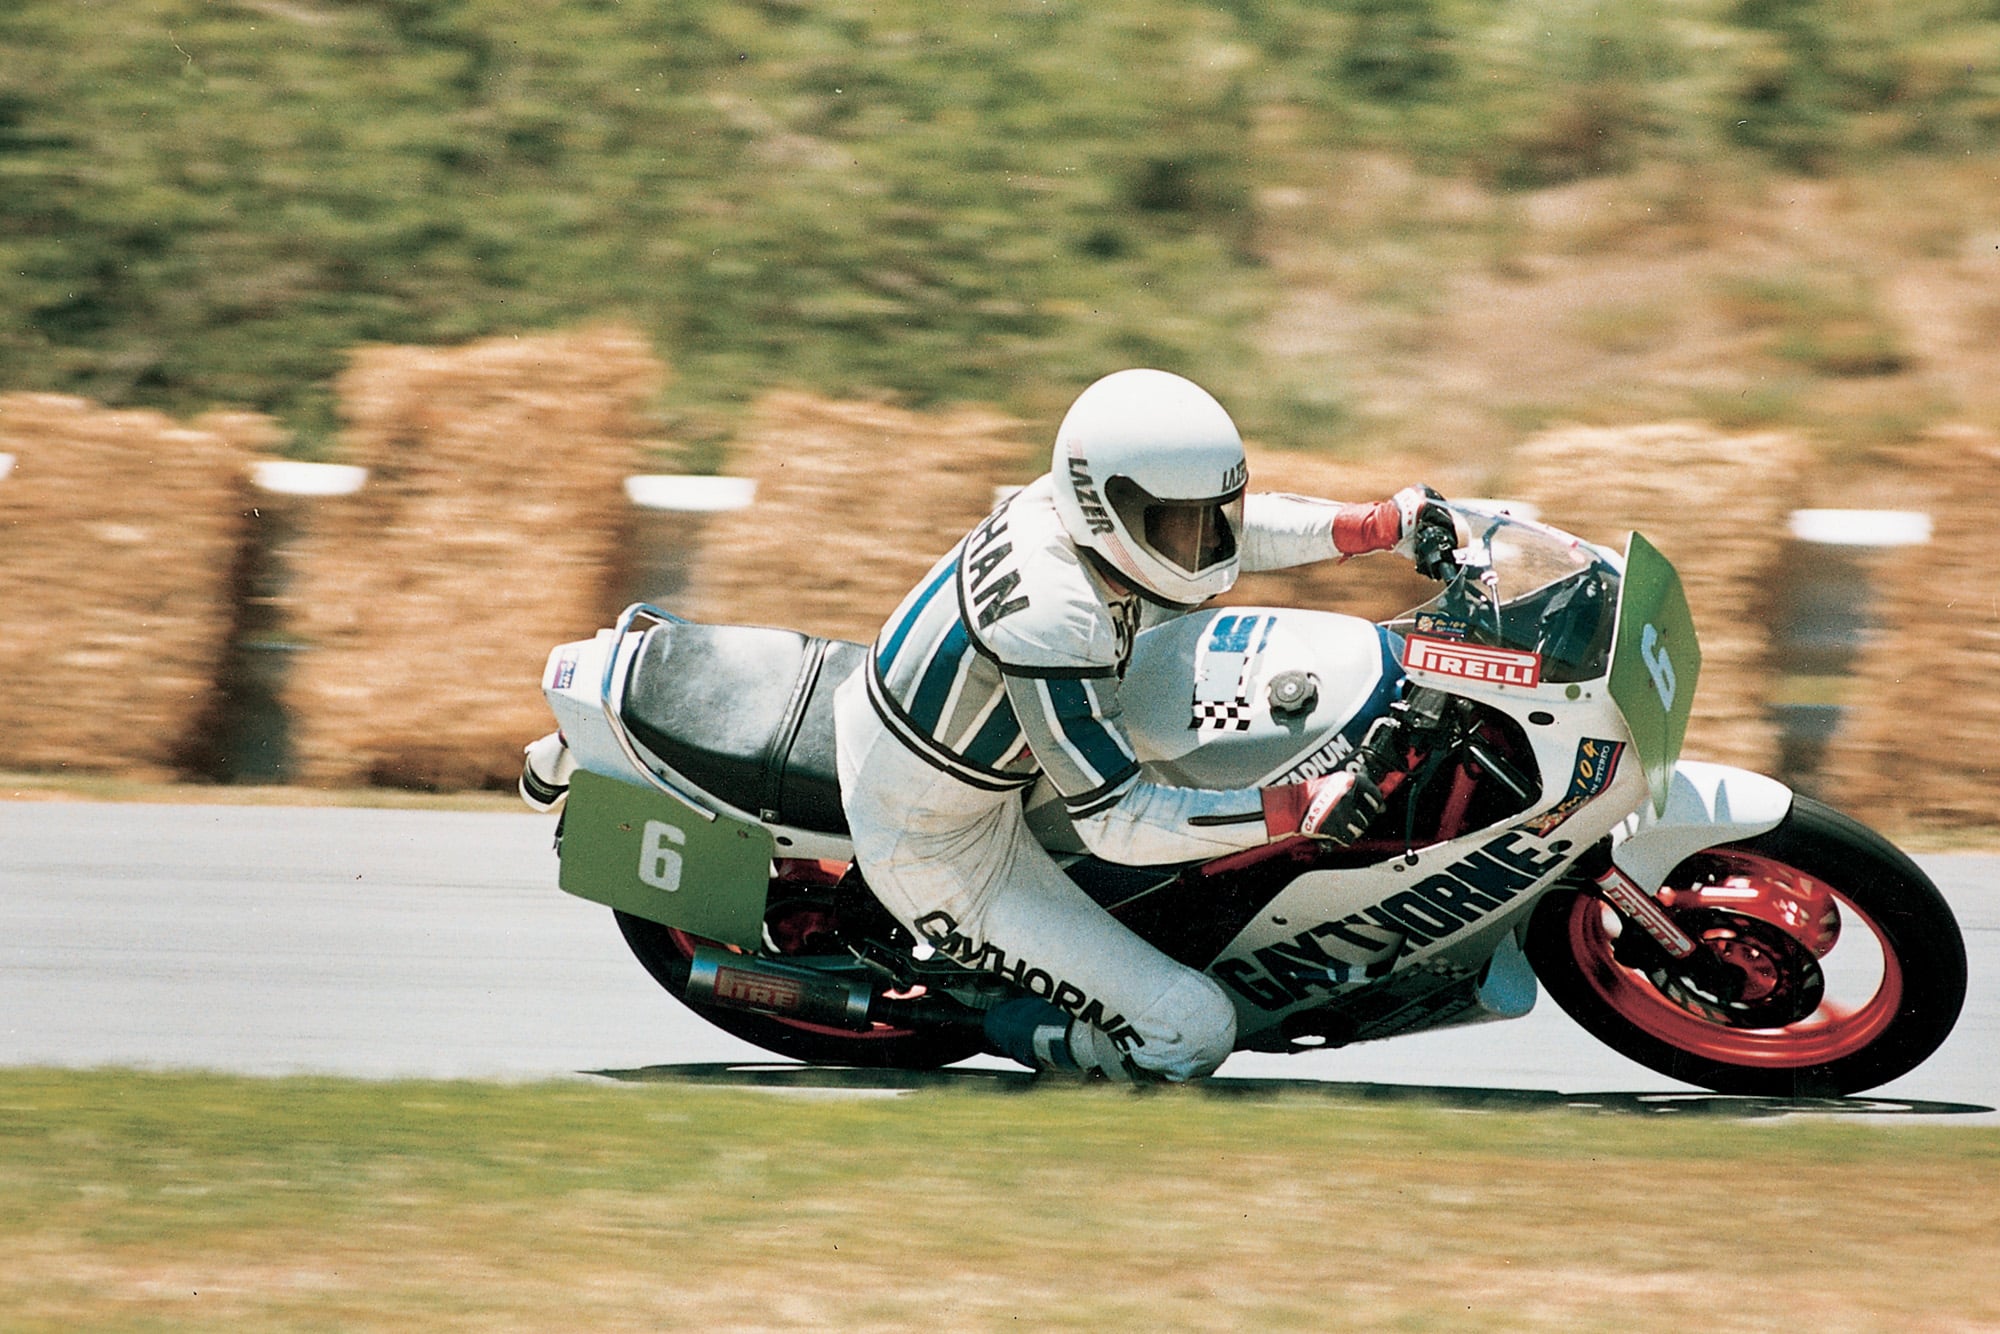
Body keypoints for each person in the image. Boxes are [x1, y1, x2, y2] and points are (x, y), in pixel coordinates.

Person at [834, 368, 1455, 1082]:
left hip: (985, 749)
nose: (1206, 542)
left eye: (1211, 515)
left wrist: (1372, 527)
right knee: (1192, 1029)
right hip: (941, 839)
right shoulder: (1055, 615)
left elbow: (1229, 538)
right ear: (1108, 509)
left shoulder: (1066, 510)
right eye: (1180, 524)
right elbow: (1117, 823)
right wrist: (1295, 808)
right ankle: (984, 1023)